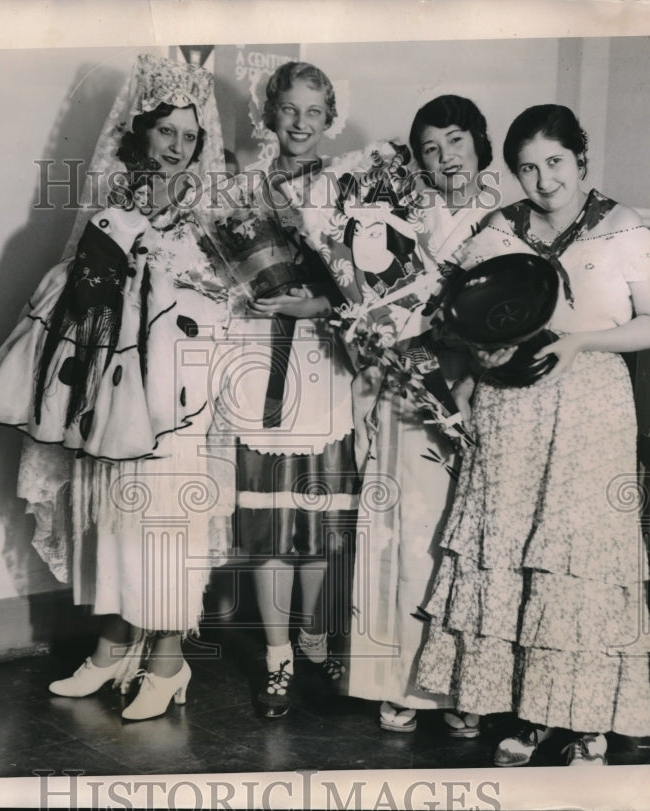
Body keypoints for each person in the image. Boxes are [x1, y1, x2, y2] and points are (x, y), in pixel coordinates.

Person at [0, 53, 233, 722]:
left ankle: (170, 658)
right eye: (165, 132)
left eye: (188, 136)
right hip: (111, 381)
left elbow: (230, 294)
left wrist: (169, 278)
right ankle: (115, 642)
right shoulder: (115, 193)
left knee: (164, 514)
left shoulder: (211, 205)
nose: (176, 148)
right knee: (113, 511)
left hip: (174, 386)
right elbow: (80, 287)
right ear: (142, 131)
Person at [414, 103, 650, 765]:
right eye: (527, 167)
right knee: (516, 557)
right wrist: (468, 387)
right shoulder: (499, 227)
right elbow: (462, 322)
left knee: (576, 560)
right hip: (511, 412)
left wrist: (578, 340)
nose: (544, 178)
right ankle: (532, 715)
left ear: (581, 161)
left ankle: (585, 722)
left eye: (555, 162)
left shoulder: (619, 226)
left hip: (589, 407)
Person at [308, 96, 497, 736]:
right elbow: (367, 288)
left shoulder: (507, 219)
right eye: (429, 150)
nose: (445, 160)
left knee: (469, 543)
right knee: (408, 537)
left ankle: (471, 684)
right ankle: (404, 684)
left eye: (455, 143)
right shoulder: (399, 218)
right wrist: (365, 326)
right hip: (405, 390)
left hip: (480, 391)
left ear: (480, 143)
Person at [214, 61, 359, 719]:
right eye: (289, 110)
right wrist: (253, 297)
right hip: (256, 359)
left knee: (316, 519)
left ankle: (312, 634)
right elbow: (220, 278)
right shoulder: (239, 189)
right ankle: (275, 656)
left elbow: (363, 287)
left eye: (313, 112)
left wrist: (317, 306)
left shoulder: (348, 189)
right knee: (268, 521)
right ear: (270, 115)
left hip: (322, 363)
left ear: (330, 120)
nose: (300, 123)